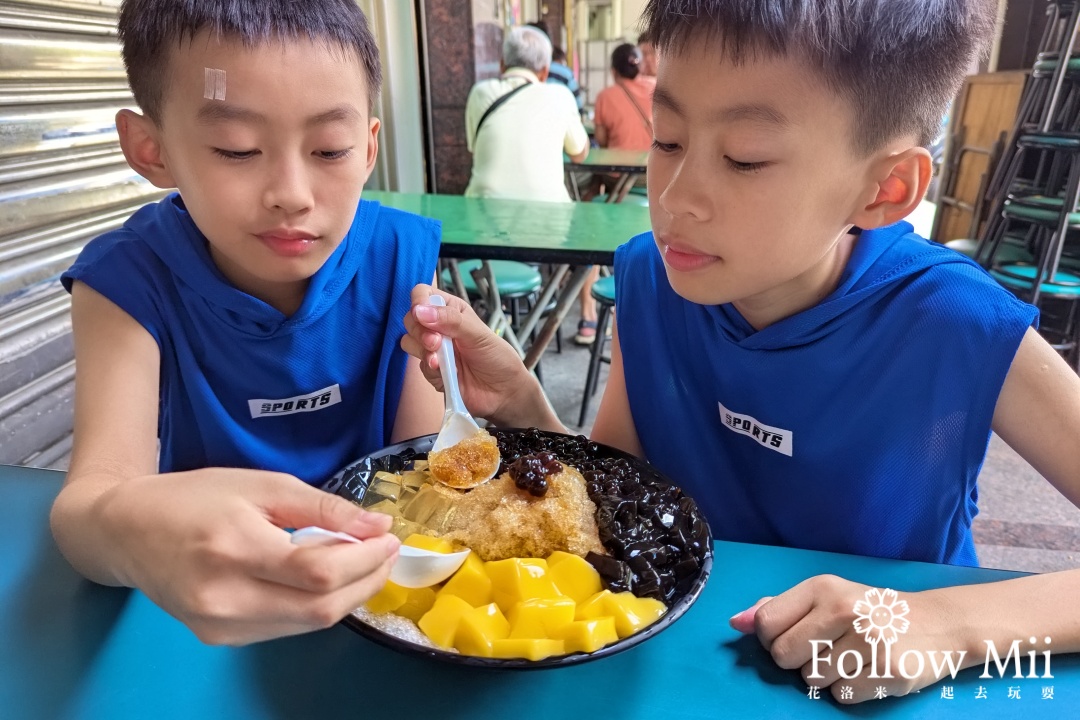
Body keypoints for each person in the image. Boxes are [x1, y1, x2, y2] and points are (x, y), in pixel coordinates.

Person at [402, 0, 1080, 704]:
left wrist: (950, 622)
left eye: (744, 157)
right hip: (678, 676)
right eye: (666, 139)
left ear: (884, 188)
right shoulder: (653, 280)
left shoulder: (955, 321)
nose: (676, 194)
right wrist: (522, 407)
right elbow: (617, 496)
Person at [49, 0, 446, 646]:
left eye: (329, 148)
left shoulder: (401, 260)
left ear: (370, 147)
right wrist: (135, 536)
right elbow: (85, 509)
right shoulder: (128, 280)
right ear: (152, 151)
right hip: (197, 626)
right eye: (237, 150)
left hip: (381, 617)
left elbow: (426, 476)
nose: (291, 191)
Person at [574, 43, 656, 345]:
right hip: (655, 189)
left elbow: (604, 142)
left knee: (590, 223)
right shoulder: (657, 88)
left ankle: (588, 314)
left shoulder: (606, 96)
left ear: (613, 70)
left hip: (620, 186)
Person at [464, 25, 589, 202]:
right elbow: (579, 155)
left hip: (484, 209)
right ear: (545, 72)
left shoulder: (480, 92)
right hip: (548, 216)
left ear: (502, 65)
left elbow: (476, 151)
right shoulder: (560, 96)